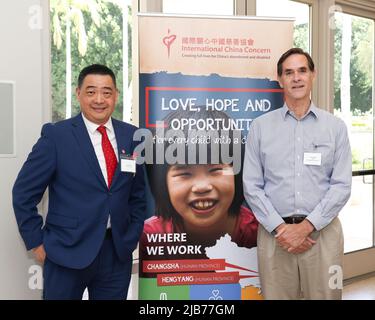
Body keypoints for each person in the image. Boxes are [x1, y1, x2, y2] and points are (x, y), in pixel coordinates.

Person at [12, 64, 146, 300]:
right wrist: (37, 243)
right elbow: (23, 192)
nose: (99, 99)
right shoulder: (57, 136)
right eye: (91, 91)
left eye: (106, 92)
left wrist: (130, 236)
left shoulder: (131, 136)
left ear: (115, 95)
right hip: (66, 252)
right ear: (78, 94)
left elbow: (137, 195)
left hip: (116, 253)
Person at [243, 48, 352, 300]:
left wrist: (306, 227)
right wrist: (282, 230)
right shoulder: (260, 128)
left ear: (313, 74)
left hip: (322, 235)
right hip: (275, 235)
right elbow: (251, 186)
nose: (296, 78)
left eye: (302, 70)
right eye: (288, 72)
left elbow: (341, 186)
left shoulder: (335, 128)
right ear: (280, 79)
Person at [141, 109, 258, 265]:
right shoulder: (148, 238)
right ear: (162, 182)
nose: (202, 187)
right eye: (185, 173)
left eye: (215, 170)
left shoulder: (261, 233)